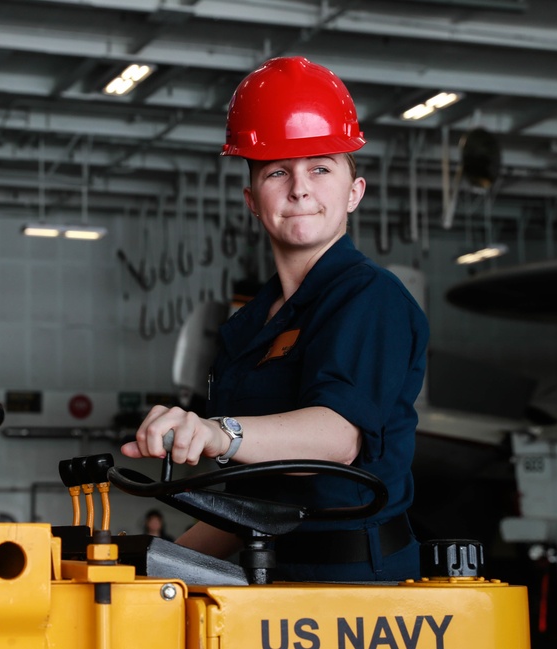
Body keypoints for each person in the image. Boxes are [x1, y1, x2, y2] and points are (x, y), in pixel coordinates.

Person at [120, 56, 429, 582]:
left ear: (355, 192)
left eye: (321, 168)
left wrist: (219, 432)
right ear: (252, 201)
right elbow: (256, 500)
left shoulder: (371, 298)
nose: (300, 188)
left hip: (357, 586)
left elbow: (335, 439)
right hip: (269, 575)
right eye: (278, 171)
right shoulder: (249, 329)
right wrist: (149, 565)